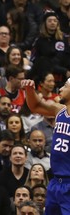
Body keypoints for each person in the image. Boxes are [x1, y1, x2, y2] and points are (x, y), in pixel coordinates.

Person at [22, 77, 70, 214]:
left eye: (65, 86)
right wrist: (30, 90)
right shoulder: (59, 110)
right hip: (55, 182)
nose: (60, 89)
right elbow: (35, 106)